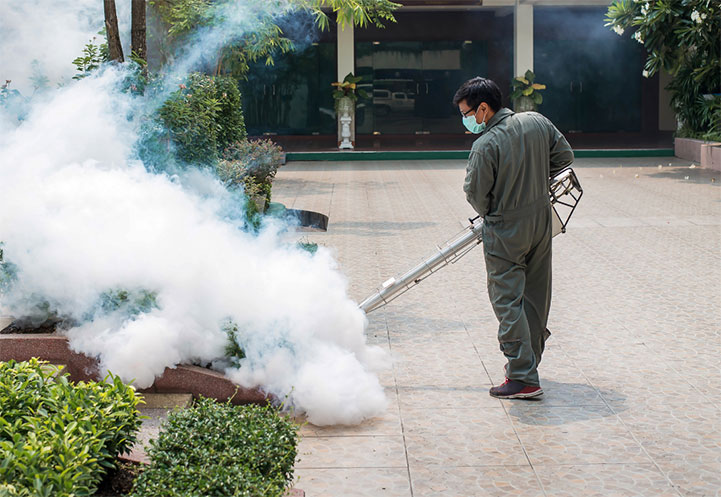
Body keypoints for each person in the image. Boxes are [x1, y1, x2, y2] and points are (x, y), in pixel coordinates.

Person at [452, 77, 574, 399]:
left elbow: (476, 195)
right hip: (541, 221)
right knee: (535, 297)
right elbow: (565, 157)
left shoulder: (485, 145)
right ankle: (530, 363)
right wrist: (535, 182)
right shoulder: (537, 121)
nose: (466, 121)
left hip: (506, 230)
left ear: (483, 108)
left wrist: (499, 207)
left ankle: (522, 377)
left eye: (467, 114)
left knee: (508, 300)